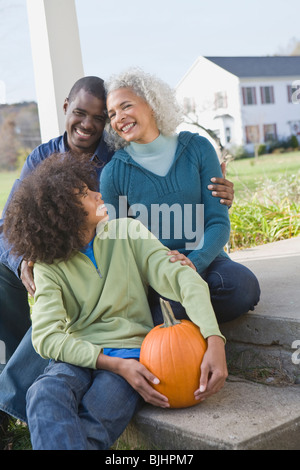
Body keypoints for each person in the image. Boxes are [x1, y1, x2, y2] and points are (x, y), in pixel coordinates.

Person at [0, 74, 234, 433]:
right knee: (44, 394)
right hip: (78, 312)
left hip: (131, 296)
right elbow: (16, 220)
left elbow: (149, 228)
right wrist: (26, 261)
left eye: (103, 117)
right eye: (84, 113)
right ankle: (11, 397)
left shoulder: (117, 158)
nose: (92, 124)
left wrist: (211, 336)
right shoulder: (43, 160)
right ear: (66, 108)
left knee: (86, 410)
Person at [101, 67, 260, 326]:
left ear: (151, 104)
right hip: (160, 276)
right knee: (170, 304)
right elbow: (120, 249)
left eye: (126, 106)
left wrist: (194, 262)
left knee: (242, 287)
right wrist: (161, 275)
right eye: (112, 114)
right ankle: (178, 323)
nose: (119, 118)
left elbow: (217, 222)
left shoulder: (197, 148)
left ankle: (177, 321)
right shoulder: (114, 174)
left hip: (207, 260)